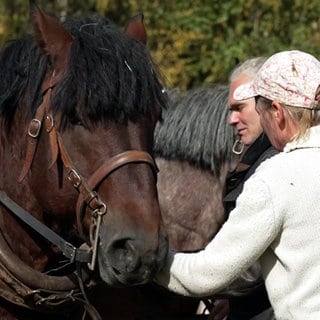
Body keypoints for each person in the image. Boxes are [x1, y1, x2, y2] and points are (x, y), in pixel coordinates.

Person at [155, 50, 320, 320]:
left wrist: (150, 259)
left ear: (277, 112)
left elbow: (205, 275)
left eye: (260, 108)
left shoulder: (275, 177)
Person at [208, 57, 278, 320]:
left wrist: (179, 273)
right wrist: (234, 301)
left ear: (267, 105)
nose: (231, 120)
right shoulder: (258, 157)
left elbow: (255, 267)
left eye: (240, 108)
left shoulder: (276, 163)